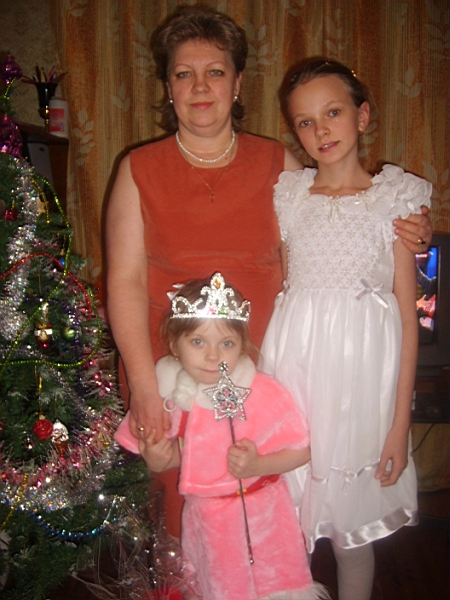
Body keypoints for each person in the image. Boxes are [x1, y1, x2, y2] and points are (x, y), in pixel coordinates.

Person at [105, 6, 432, 536]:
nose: (200, 86)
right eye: (184, 74)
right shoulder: (137, 169)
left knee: (259, 514)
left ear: (237, 84)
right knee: (184, 512)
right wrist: (144, 388)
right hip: (172, 371)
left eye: (215, 72)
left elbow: (341, 211)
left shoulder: (277, 165)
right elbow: (124, 282)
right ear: (168, 87)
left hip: (265, 373)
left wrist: (409, 223)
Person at [259, 58, 433, 600]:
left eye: (333, 112)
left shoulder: (394, 200)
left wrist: (399, 425)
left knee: (350, 536)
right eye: (305, 121)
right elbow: (285, 283)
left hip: (360, 390)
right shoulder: (289, 196)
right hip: (294, 376)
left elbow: (407, 316)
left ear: (362, 116)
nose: (321, 130)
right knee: (285, 525)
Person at [115, 273, 329, 600]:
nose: (213, 356)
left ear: (242, 345)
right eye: (198, 342)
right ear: (174, 345)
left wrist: (258, 465)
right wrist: (159, 458)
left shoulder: (263, 392)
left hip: (266, 524)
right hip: (208, 527)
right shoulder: (173, 396)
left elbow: (304, 450)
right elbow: (183, 455)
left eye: (226, 343)